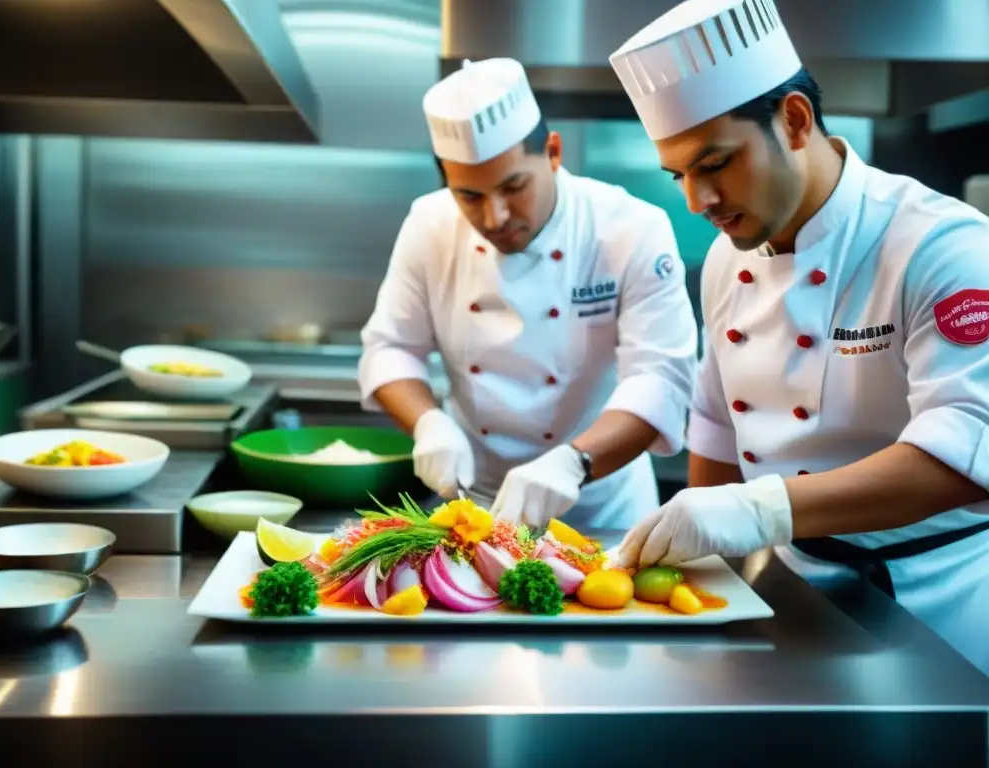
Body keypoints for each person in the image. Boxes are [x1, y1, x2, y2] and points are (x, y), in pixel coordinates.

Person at [608, 0, 989, 672]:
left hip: (944, 606)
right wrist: (696, 576)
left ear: (793, 120)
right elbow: (718, 430)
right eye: (680, 176)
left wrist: (759, 510)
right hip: (789, 591)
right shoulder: (728, 261)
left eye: (715, 163)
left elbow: (962, 451)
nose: (697, 201)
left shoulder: (941, 246)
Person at [358, 58, 699, 531]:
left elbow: (660, 379)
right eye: (469, 196)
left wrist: (573, 463)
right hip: (471, 503)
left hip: (602, 504)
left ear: (553, 153)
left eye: (513, 186)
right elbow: (390, 348)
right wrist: (428, 423)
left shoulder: (629, 229)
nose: (495, 217)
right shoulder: (429, 224)